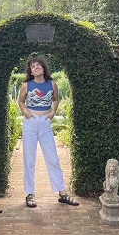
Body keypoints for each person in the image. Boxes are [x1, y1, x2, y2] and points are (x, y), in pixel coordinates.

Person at [18, 53, 79, 208]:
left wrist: (53, 112)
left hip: (45, 123)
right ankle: (30, 194)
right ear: (30, 71)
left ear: (43, 68)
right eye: (32, 66)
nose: (35, 67)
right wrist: (25, 111)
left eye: (38, 64)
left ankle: (62, 193)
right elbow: (20, 101)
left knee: (53, 158)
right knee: (29, 159)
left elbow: (56, 99)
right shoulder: (26, 85)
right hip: (31, 123)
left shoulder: (52, 84)